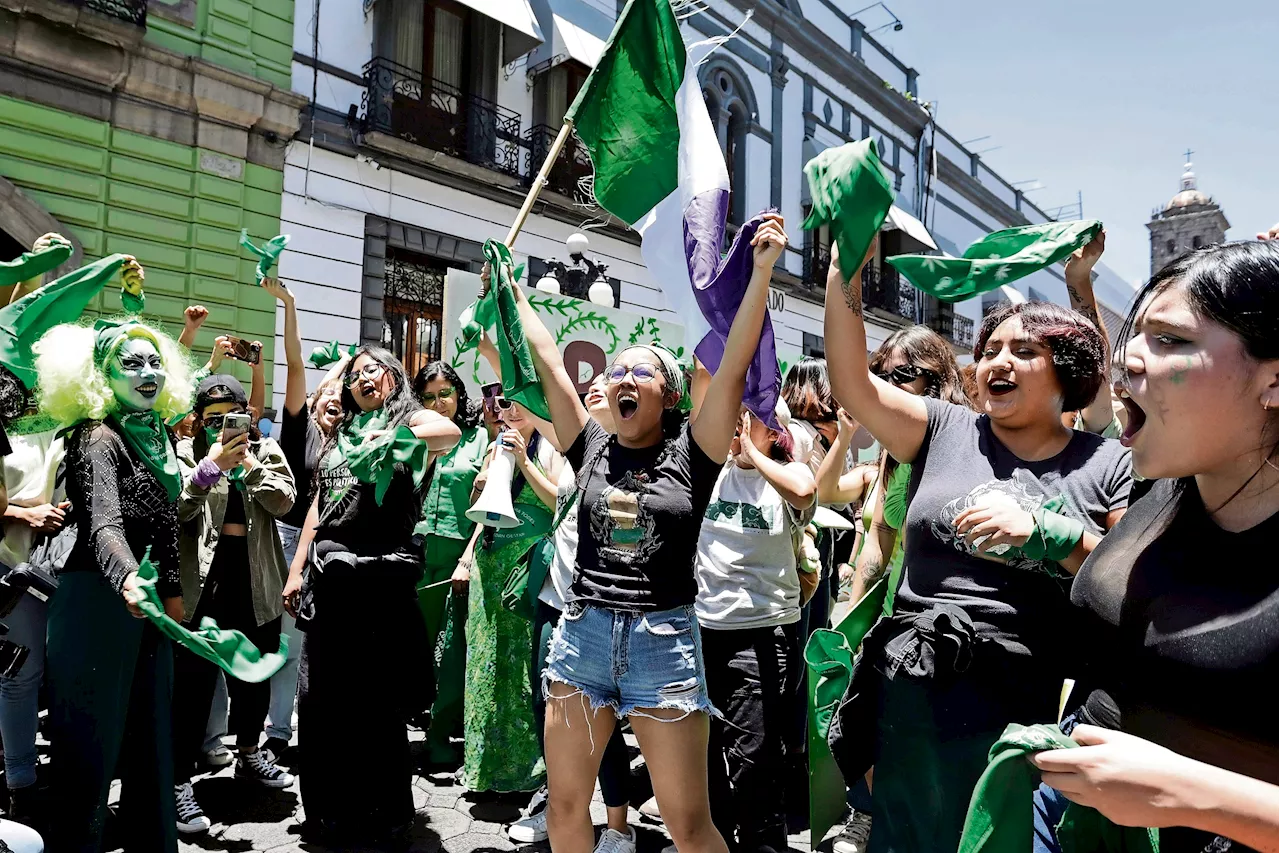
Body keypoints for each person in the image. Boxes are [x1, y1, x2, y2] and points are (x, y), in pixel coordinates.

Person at [822, 237, 1132, 853]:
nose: (998, 361)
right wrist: (845, 270)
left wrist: (1056, 537)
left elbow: (1127, 589)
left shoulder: (1107, 463)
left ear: (1066, 369)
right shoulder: (943, 428)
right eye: (989, 349)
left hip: (1018, 701)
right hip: (913, 683)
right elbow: (852, 384)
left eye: (1024, 350)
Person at [521, 213, 789, 853]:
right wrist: (506, 284)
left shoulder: (694, 454)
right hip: (581, 637)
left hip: (661, 646)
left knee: (688, 826)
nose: (621, 378)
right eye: (614, 371)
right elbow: (547, 357)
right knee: (564, 809)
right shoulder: (587, 443)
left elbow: (732, 366)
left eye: (639, 371)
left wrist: (760, 273)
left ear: (667, 395)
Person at [1029, 239, 1280, 853]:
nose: (1127, 362)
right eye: (1132, 338)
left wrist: (1192, 795)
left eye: (1170, 339)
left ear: (1274, 382)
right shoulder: (1166, 483)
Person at [34, 304, 195, 853]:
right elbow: (104, 523)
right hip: (98, 602)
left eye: (155, 362)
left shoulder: (154, 434)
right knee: (89, 745)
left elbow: (165, 520)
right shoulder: (95, 437)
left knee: (153, 740)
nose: (148, 372)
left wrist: (169, 592)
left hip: (144, 603)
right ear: (103, 375)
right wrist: (129, 579)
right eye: (132, 363)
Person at [282, 347, 460, 843]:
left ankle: (387, 812)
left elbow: (449, 432)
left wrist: (392, 435)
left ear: (392, 376)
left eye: (372, 370)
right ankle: (326, 810)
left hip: (381, 584)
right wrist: (296, 570)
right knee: (318, 702)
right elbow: (320, 503)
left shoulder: (411, 419)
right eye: (355, 375)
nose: (362, 380)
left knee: (377, 707)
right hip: (331, 582)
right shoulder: (341, 431)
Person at [510, 373, 637, 851]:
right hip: (554, 600)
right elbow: (560, 502)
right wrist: (524, 461)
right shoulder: (568, 454)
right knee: (551, 715)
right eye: (595, 383)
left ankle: (619, 827)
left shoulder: (627, 454)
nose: (598, 386)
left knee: (600, 725)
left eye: (610, 382)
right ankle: (563, 807)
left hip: (598, 612)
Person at [170, 374, 296, 834]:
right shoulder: (186, 454)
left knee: (254, 677)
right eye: (212, 419)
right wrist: (211, 467)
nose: (222, 425)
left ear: (249, 415)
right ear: (200, 422)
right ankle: (179, 780)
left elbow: (285, 503)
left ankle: (248, 753)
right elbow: (178, 510)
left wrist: (246, 466)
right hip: (203, 585)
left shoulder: (267, 452)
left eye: (232, 417)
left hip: (256, 580)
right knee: (192, 686)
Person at [695, 403, 816, 853]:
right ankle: (717, 841)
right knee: (702, 752)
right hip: (701, 630)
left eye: (752, 417)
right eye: (735, 414)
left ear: (775, 430)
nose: (739, 423)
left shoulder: (784, 477)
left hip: (764, 636)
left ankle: (763, 843)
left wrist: (752, 452)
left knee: (754, 760)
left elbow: (805, 493)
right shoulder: (708, 472)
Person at [258, 277, 343, 763]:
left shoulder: (352, 442)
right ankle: (272, 731)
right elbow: (293, 364)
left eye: (339, 394)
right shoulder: (299, 430)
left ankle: (298, 730)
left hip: (332, 550)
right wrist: (289, 305)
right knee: (287, 641)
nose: (332, 398)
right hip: (290, 543)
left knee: (316, 644)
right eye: (323, 392)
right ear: (311, 402)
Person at [460, 395, 561, 793]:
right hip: (490, 565)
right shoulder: (495, 443)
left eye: (521, 404)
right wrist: (481, 483)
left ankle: (527, 772)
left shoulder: (552, 448)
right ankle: (484, 767)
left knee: (521, 667)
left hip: (528, 568)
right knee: (486, 664)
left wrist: (522, 461)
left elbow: (561, 503)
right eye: (505, 404)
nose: (512, 411)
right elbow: (479, 509)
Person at [412, 360, 488, 767]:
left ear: (459, 394)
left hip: (460, 554)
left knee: (453, 650)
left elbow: (487, 509)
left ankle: (439, 736)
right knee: (415, 645)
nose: (438, 403)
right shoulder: (413, 438)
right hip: (416, 553)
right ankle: (413, 719)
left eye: (445, 394)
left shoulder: (480, 441)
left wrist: (468, 557)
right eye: (428, 397)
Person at [0, 423, 66, 825]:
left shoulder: (68, 417)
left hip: (62, 567)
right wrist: (25, 514)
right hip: (12, 567)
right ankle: (20, 785)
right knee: (19, 676)